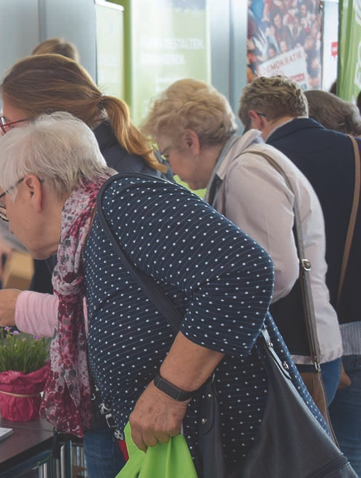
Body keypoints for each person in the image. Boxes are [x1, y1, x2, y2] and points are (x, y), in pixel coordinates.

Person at [0, 112, 306, 473]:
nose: (6, 219)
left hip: (239, 448)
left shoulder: (125, 202)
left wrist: (168, 391)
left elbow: (244, 270)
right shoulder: (89, 232)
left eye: (3, 203)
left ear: (32, 188)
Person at [0, 52, 169, 478]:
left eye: (8, 123)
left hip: (136, 403)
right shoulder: (104, 179)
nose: (3, 133)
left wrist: (30, 308)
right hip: (121, 397)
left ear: (48, 124)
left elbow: (123, 310)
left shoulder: (114, 192)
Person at [141, 78, 342, 402]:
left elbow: (277, 271)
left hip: (296, 355)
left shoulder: (246, 172)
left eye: (167, 154)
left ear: (191, 142)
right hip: (293, 351)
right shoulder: (241, 167)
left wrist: (215, 317)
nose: (171, 170)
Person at [237, 76, 361, 474]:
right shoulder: (359, 152)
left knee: (307, 460)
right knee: (356, 450)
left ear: (256, 117)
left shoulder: (263, 165)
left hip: (306, 342)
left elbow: (272, 268)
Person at [0, 39, 80, 294]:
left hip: (46, 245)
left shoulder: (72, 132)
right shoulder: (7, 122)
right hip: (11, 247)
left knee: (43, 321)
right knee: (8, 327)